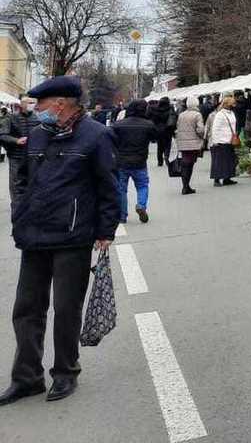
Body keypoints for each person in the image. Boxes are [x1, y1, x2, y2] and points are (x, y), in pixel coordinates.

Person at [0, 76, 118, 406]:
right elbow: (22, 180)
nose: (36, 110)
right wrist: (19, 215)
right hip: (34, 234)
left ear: (60, 105)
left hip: (73, 235)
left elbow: (109, 186)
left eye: (40, 105)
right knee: (26, 309)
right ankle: (27, 378)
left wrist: (106, 231)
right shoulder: (38, 135)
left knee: (66, 309)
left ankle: (66, 372)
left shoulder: (96, 135)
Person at [111, 99, 157, 224]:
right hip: (140, 162)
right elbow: (154, 139)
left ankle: (122, 215)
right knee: (142, 186)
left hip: (121, 162)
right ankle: (141, 206)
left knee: (121, 189)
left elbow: (111, 141)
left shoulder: (118, 125)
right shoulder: (148, 124)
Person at [0, 95, 37, 200]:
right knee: (16, 186)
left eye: (32, 103)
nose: (32, 105)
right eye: (29, 103)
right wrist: (16, 141)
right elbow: (2, 135)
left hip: (32, 157)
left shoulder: (37, 118)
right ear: (22, 105)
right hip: (16, 157)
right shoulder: (11, 118)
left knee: (31, 185)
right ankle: (16, 211)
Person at [205, 95, 239, 187]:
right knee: (219, 161)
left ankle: (227, 178)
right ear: (227, 104)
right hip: (221, 141)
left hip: (230, 140)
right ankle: (216, 179)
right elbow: (215, 129)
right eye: (232, 103)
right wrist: (215, 141)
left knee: (229, 160)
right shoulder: (220, 114)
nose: (234, 105)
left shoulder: (232, 113)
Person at [173, 96, 205, 195]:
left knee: (185, 163)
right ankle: (186, 186)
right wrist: (201, 136)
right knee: (190, 164)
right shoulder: (197, 115)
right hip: (193, 143)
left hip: (182, 142)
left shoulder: (181, 115)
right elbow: (200, 129)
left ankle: (185, 186)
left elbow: (177, 126)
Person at [147, 96, 176, 167]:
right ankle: (166, 157)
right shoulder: (170, 109)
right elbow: (174, 119)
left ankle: (160, 161)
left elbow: (152, 119)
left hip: (158, 130)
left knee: (160, 146)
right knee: (168, 145)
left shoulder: (156, 109)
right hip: (168, 130)